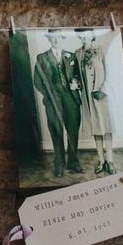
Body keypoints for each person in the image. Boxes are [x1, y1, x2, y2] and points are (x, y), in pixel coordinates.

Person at [33, 31, 83, 179]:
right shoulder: (42, 57)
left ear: (62, 39)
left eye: (58, 38)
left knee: (73, 129)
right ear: (49, 40)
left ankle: (73, 162)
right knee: (56, 130)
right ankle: (59, 164)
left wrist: (76, 83)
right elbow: (37, 81)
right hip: (53, 99)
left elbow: (77, 76)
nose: (56, 41)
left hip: (70, 98)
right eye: (52, 38)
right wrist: (49, 95)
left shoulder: (71, 56)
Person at [77, 30, 117, 175]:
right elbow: (78, 76)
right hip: (88, 97)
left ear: (92, 34)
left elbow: (110, 72)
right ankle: (101, 160)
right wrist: (77, 84)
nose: (83, 36)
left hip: (102, 96)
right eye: (80, 34)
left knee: (106, 128)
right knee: (96, 129)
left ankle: (110, 160)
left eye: (86, 33)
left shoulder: (101, 50)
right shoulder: (78, 54)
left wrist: (103, 90)